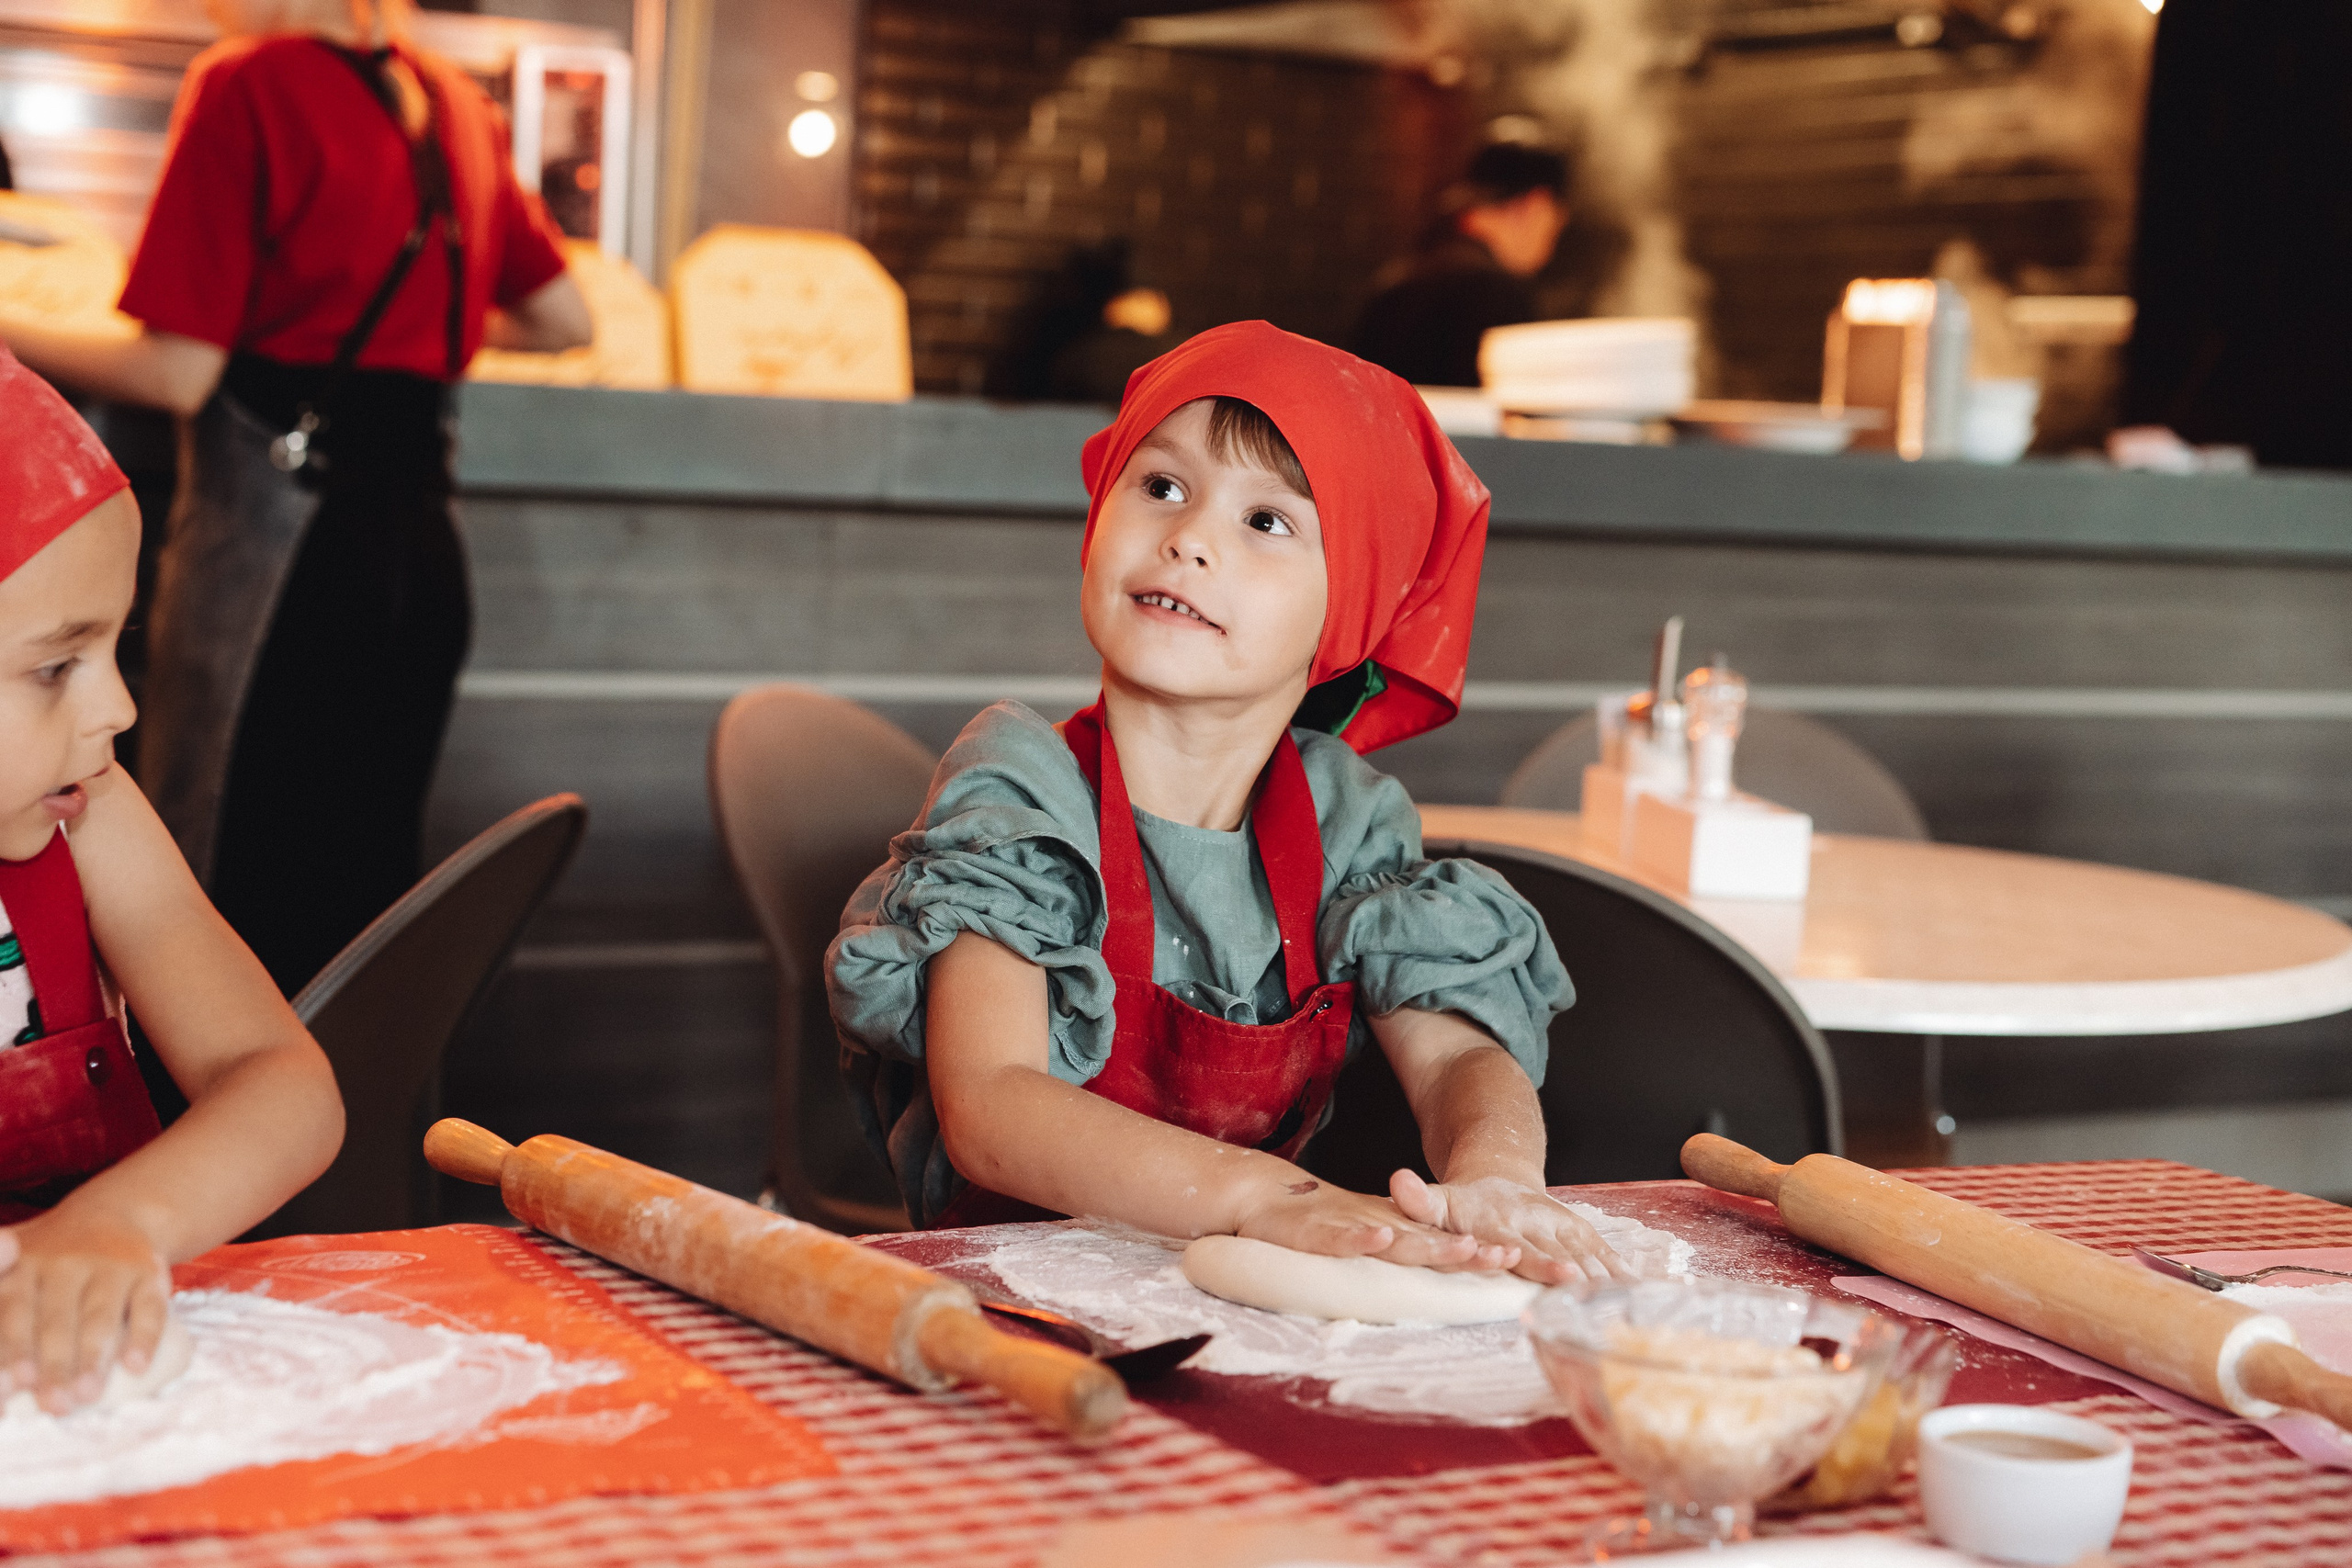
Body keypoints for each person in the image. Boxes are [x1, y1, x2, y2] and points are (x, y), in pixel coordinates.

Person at [830, 321, 1627, 1283]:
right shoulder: (1021, 787)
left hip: (1230, 1297)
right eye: (1162, 486)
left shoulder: (1345, 823)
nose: (1189, 538)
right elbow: (992, 1104)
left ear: (1349, 609)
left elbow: (1458, 1058)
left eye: (1266, 521)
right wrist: (1268, 1198)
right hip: (1007, 1299)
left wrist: (1496, 1174)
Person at [0, 0, 592, 996]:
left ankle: (223, 1096)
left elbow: (178, 372)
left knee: (219, 888)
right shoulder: (460, 106)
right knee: (367, 894)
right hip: (422, 553)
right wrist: (403, 336)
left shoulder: (248, 83)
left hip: (287, 557)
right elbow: (565, 318)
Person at [0, 347, 344, 1411]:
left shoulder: (87, 812)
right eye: (56, 666)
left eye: (116, 649)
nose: (119, 709)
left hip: (109, 1381)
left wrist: (118, 1221)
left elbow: (281, 1081)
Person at [1349, 143, 1572, 389]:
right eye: (1556, 224)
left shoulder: (1394, 282)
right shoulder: (1498, 294)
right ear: (1534, 206)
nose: (1551, 246)